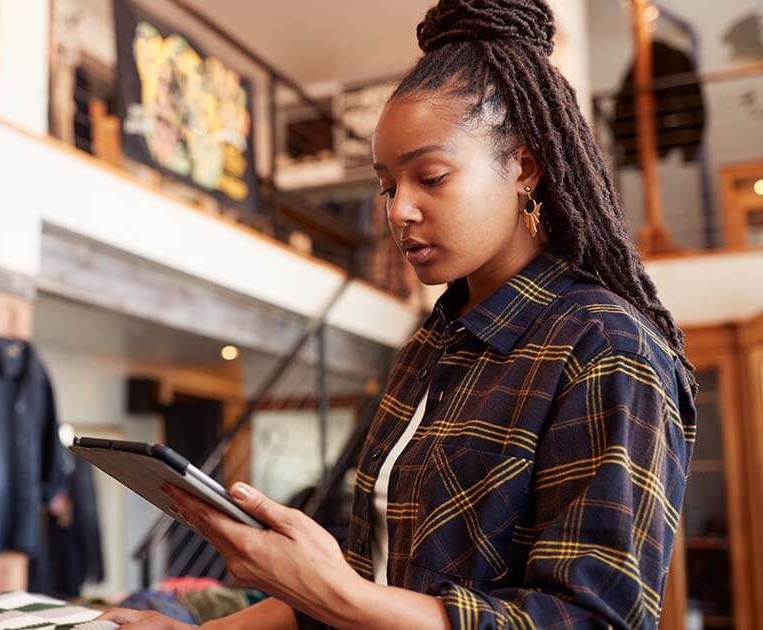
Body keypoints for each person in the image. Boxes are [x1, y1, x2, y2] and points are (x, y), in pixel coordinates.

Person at [98, 0, 699, 627]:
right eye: (388, 186)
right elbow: (377, 576)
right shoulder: (431, 346)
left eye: (431, 178)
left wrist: (331, 592)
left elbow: (594, 620)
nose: (398, 210)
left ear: (524, 166)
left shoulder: (605, 347)